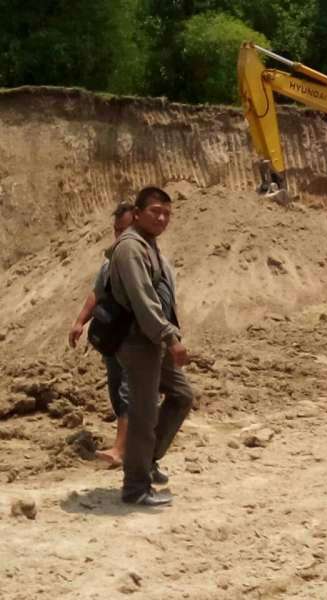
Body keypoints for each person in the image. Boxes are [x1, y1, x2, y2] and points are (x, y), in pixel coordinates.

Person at [110, 186, 193, 507]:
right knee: (143, 415)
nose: (161, 218)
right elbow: (144, 302)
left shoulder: (149, 245)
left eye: (167, 213)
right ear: (138, 213)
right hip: (139, 340)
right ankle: (135, 488)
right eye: (155, 211)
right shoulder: (131, 248)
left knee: (182, 395)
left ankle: (146, 461)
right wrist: (170, 338)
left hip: (152, 339)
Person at [69, 202, 135, 467]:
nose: (120, 236)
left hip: (135, 337)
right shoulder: (111, 262)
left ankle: (122, 449)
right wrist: (79, 322)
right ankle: (136, 444)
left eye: (125, 230)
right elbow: (97, 292)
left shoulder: (144, 259)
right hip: (113, 337)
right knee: (117, 389)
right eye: (117, 231)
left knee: (130, 390)